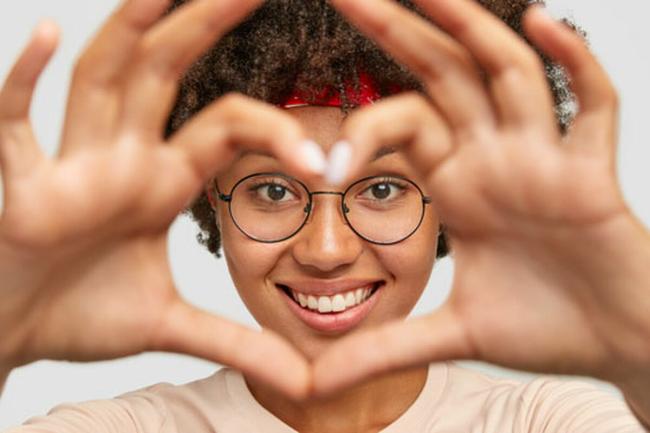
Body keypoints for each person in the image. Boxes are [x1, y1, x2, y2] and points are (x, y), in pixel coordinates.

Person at [1, 0, 649, 431]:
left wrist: (641, 341)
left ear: (451, 202)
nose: (328, 248)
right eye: (274, 190)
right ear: (209, 197)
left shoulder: (546, 421)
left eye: (385, 187)